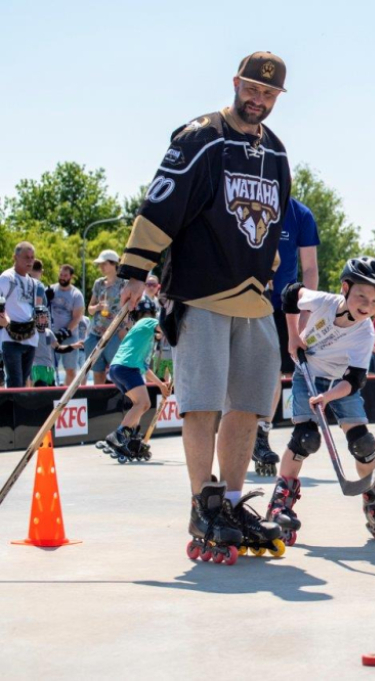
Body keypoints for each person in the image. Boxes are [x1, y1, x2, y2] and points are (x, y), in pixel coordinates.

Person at [119, 51, 291, 564]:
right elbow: (162, 201)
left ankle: (232, 503)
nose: (257, 101)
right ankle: (204, 502)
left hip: (255, 299)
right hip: (202, 292)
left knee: (249, 406)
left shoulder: (278, 153)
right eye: (252, 90)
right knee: (204, 404)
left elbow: (275, 219)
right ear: (236, 83)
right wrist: (133, 269)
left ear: (278, 98)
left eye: (269, 95)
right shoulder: (201, 137)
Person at [267, 257, 375, 544]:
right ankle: (280, 502)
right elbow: (291, 293)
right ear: (345, 288)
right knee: (305, 438)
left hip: (340, 385)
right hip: (307, 373)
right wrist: (293, 337)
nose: (367, 305)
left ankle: (374, 499)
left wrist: (328, 397)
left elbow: (355, 381)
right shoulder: (324, 302)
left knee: (363, 443)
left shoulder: (365, 333)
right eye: (361, 296)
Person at [254, 197, 320, 476]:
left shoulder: (300, 214)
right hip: (244, 299)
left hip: (283, 304)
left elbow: (310, 269)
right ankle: (240, 428)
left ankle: (260, 433)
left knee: (273, 371)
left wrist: (305, 312)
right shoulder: (245, 198)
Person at [102, 298, 171, 462]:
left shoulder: (140, 333)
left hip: (118, 369)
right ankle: (118, 436)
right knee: (144, 404)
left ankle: (132, 440)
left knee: (138, 406)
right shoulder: (148, 322)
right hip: (127, 368)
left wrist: (161, 385)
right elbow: (164, 328)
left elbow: (144, 368)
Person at [0, 242, 42, 388]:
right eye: (26, 257)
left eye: (32, 257)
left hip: (30, 338)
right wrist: (5, 321)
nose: (30, 261)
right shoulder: (7, 278)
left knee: (22, 384)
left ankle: (14, 411)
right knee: (15, 384)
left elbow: (33, 308)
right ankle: (9, 411)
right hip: (11, 339)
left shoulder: (33, 282)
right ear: (15, 257)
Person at [85, 249, 128, 385]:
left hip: (114, 334)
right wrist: (97, 307)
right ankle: (100, 404)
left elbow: (130, 310)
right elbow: (90, 310)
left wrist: (125, 329)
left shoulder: (124, 284)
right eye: (100, 264)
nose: (101, 267)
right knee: (97, 372)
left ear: (114, 264)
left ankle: (119, 403)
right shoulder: (98, 283)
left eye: (104, 264)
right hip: (95, 334)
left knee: (117, 372)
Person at [47, 265, 86, 386]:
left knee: (70, 369)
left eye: (65, 275)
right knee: (49, 368)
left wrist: (65, 332)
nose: (62, 278)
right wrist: (45, 298)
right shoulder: (51, 290)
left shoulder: (76, 294)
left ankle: (67, 393)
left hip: (68, 336)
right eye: (61, 275)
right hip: (51, 335)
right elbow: (41, 308)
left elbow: (77, 316)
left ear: (71, 277)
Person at [30, 306, 83, 387]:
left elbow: (58, 348)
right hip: (37, 367)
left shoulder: (48, 333)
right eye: (41, 317)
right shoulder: (32, 334)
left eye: (45, 317)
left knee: (52, 393)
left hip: (49, 368)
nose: (44, 319)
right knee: (41, 389)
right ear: (35, 319)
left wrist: (73, 346)